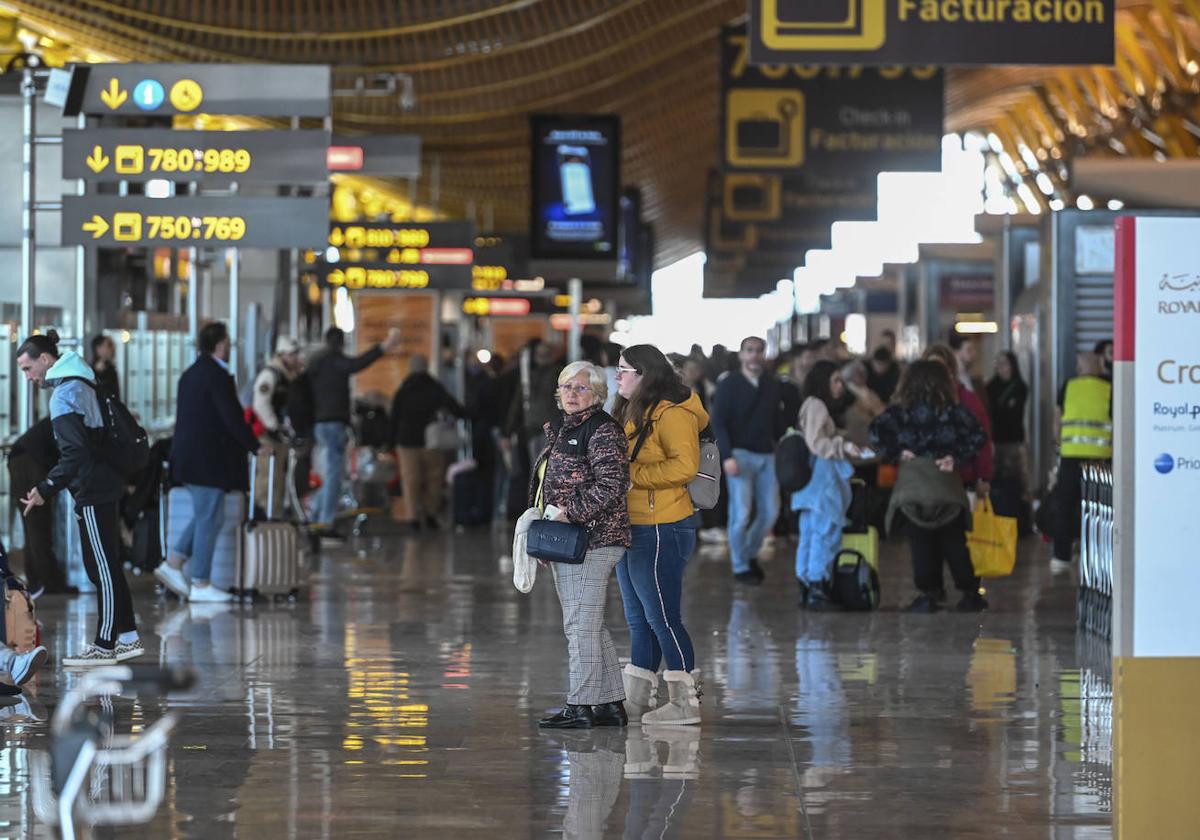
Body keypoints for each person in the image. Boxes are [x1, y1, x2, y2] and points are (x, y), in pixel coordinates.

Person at [16, 330, 143, 665]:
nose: (28, 378)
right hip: (101, 482)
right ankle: (127, 638)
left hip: (93, 486)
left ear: (45, 360)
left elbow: (75, 453)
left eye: (28, 369)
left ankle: (105, 644)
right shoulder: (81, 380)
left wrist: (45, 488)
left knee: (101, 567)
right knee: (104, 564)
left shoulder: (64, 394)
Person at [613, 345, 708, 727]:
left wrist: (632, 477)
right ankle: (637, 699)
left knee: (663, 617)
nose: (617, 376)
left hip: (661, 525)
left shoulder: (673, 411)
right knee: (639, 619)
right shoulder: (636, 408)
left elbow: (686, 465)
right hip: (633, 522)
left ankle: (686, 703)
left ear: (644, 374)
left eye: (624, 370)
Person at [535, 361, 632, 730]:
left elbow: (612, 485)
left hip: (595, 539)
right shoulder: (563, 429)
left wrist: (567, 516)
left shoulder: (602, 430)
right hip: (570, 539)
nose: (572, 394)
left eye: (581, 388)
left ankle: (581, 705)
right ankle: (608, 703)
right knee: (588, 623)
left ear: (598, 394)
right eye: (566, 387)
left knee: (580, 625)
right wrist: (549, 534)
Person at [158, 322, 269, 603]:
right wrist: (255, 446)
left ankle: (173, 562)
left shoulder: (192, 373)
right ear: (220, 344)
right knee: (209, 517)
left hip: (191, 457)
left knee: (210, 515)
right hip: (206, 460)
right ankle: (200, 582)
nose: (230, 347)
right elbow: (232, 418)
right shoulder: (216, 376)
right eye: (228, 342)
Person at [869, 361, 988, 613]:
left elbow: (875, 433)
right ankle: (969, 593)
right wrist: (956, 457)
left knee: (921, 543)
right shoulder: (952, 411)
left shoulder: (901, 411)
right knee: (954, 542)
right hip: (946, 485)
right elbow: (979, 436)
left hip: (913, 487)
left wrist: (897, 453)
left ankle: (928, 594)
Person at [307, 326, 401, 537]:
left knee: (335, 474)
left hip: (320, 424)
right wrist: (383, 347)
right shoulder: (333, 361)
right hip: (333, 425)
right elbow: (357, 364)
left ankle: (314, 513)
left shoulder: (315, 364)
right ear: (341, 344)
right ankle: (324, 522)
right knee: (333, 475)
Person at [710, 336, 784, 585]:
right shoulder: (729, 383)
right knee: (741, 514)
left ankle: (750, 554)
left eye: (759, 351)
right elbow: (718, 422)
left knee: (770, 512)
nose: (754, 355)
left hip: (767, 454)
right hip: (739, 454)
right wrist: (727, 455)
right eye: (749, 350)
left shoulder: (771, 384)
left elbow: (777, 421)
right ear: (741, 354)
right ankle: (740, 566)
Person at [791, 361, 862, 610]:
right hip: (822, 482)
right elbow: (817, 443)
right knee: (824, 533)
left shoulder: (809, 405)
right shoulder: (818, 405)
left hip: (811, 484)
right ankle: (818, 587)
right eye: (835, 380)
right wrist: (842, 446)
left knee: (810, 534)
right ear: (823, 382)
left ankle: (807, 587)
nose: (840, 385)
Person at [389, 355, 465, 531]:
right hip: (432, 441)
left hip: (406, 441)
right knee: (434, 480)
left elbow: (394, 416)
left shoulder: (404, 389)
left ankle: (413, 518)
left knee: (410, 481)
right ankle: (430, 514)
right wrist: (467, 413)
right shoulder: (435, 387)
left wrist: (391, 440)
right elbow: (454, 407)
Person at [1053, 351, 1112, 571]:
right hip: (1101, 459)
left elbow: (1057, 419)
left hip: (1070, 456)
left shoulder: (1068, 387)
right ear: (1099, 365)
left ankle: (1061, 557)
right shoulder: (1110, 388)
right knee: (1099, 508)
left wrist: (1057, 445)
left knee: (1065, 507)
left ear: (1079, 367)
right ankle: (1096, 554)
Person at [925, 343, 993, 501]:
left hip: (961, 481)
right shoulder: (916, 401)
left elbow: (983, 440)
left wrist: (983, 477)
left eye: (939, 367)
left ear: (950, 370)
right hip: (925, 483)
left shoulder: (967, 400)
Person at [7, 417, 66, 596]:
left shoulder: (67, 408)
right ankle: (48, 582)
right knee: (37, 523)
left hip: (22, 458)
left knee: (32, 524)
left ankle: (38, 581)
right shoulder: (74, 411)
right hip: (29, 461)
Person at [250, 336, 303, 518]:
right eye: (292, 354)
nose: (296, 358)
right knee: (267, 478)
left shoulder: (287, 376)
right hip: (267, 436)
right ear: (282, 355)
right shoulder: (270, 375)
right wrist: (274, 426)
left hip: (280, 436)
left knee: (278, 479)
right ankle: (261, 516)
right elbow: (261, 403)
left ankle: (275, 516)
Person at [986, 352, 1031, 519]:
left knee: (1017, 480)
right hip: (995, 441)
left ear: (1012, 365)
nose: (1001, 367)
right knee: (996, 480)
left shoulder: (1020, 387)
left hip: (1014, 441)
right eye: (998, 363)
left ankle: (1019, 518)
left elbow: (1013, 412)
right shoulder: (989, 387)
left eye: (1004, 363)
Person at [839, 359, 886, 448]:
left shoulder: (869, 391)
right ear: (850, 376)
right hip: (858, 434)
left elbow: (881, 410)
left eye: (863, 373)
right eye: (858, 373)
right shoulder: (846, 394)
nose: (862, 375)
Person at [90, 334, 119, 400]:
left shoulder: (110, 368)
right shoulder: (93, 372)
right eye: (109, 345)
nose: (112, 349)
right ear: (98, 348)